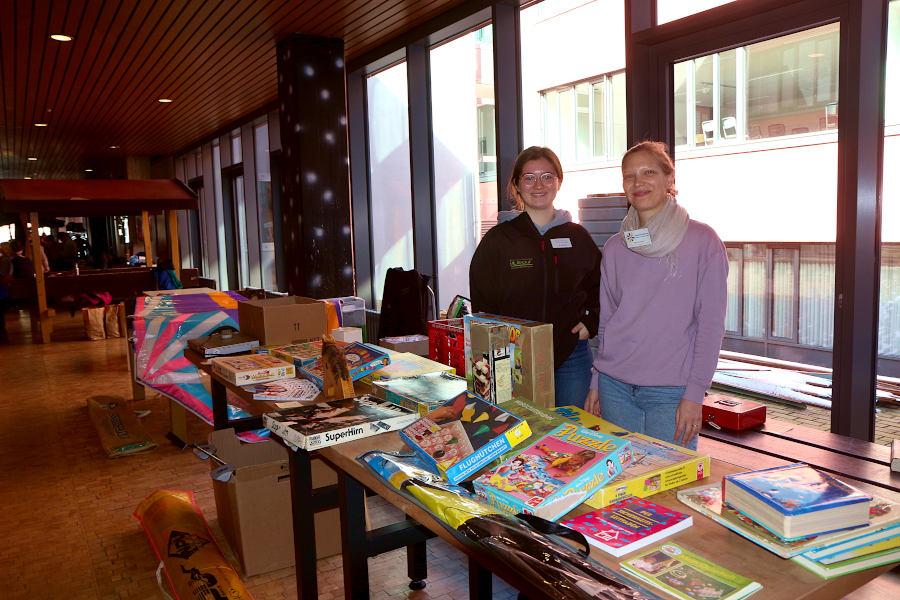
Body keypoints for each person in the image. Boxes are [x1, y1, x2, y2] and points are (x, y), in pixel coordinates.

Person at [585, 141, 727, 450]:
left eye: (648, 172)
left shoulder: (703, 241)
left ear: (670, 180)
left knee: (669, 486)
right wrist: (597, 380)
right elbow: (608, 322)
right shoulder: (615, 247)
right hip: (615, 388)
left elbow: (711, 327)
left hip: (671, 393)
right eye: (629, 176)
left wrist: (694, 394)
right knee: (621, 485)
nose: (638, 183)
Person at [469, 146, 601, 409]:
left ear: (559, 181)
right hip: (514, 358)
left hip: (570, 357)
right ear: (517, 185)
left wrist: (591, 321)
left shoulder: (578, 237)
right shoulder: (499, 240)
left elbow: (601, 288)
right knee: (521, 432)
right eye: (529, 177)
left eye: (547, 176)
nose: (538, 184)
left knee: (569, 433)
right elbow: (482, 302)